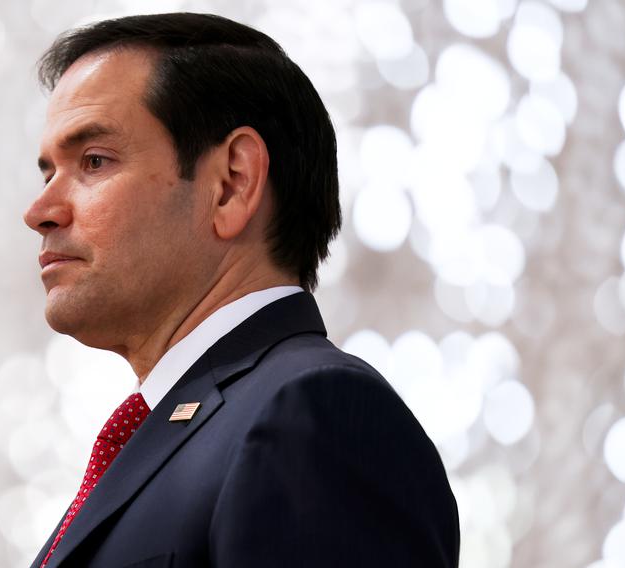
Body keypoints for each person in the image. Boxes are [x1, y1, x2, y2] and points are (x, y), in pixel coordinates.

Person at [23, 12, 459, 568]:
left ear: (232, 183)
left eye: (94, 161)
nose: (40, 212)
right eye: (46, 175)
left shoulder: (316, 418)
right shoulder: (182, 429)